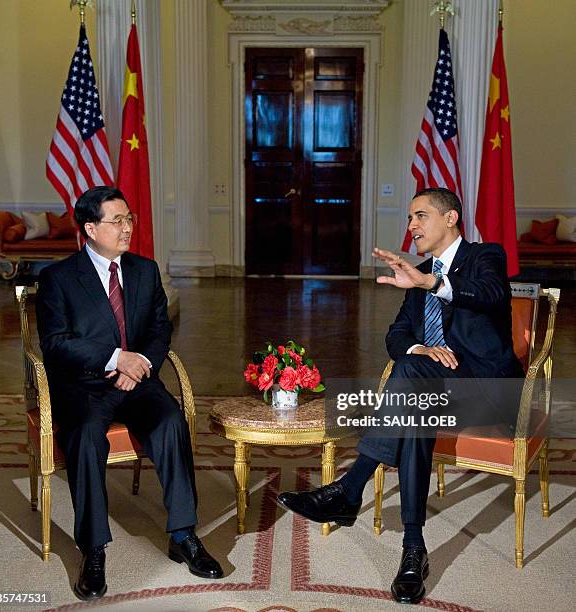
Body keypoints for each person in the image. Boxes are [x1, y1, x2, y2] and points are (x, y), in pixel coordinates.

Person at [277, 187, 523, 604]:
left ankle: (349, 491)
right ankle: (413, 548)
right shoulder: (418, 274)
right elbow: (396, 335)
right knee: (414, 398)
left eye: (420, 216)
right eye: (409, 218)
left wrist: (431, 281)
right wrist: (418, 348)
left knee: (412, 396)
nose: (411, 226)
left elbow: (489, 295)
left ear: (450, 218)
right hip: (433, 393)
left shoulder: (485, 258)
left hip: (490, 391)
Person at [36, 186, 223, 601]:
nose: (127, 228)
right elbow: (55, 343)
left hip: (138, 381)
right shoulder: (58, 278)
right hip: (85, 385)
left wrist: (141, 367)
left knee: (172, 422)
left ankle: (183, 535)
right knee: (85, 436)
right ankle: (94, 549)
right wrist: (115, 358)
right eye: (116, 221)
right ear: (90, 228)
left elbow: (160, 329)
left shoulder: (144, 269)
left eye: (129, 218)